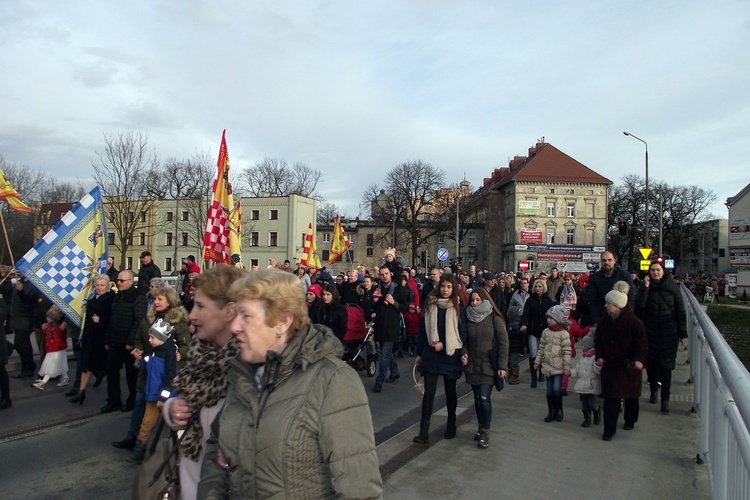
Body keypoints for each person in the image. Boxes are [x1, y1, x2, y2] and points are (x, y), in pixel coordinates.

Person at [197, 269, 382, 498]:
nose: (235, 326)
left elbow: (360, 489)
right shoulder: (243, 375)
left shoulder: (332, 381)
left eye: (246, 315)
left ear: (282, 322)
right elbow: (216, 448)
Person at [160, 265, 246, 499]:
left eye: (200, 306)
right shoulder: (199, 353)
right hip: (191, 483)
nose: (192, 315)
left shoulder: (248, 366)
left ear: (229, 311)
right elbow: (184, 401)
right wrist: (172, 409)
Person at [119, 286, 190, 461]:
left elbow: (186, 345)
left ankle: (179, 451)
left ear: (169, 301)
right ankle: (136, 441)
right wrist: (140, 353)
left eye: (160, 299)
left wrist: (181, 354)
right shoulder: (148, 318)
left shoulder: (177, 322)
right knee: (139, 408)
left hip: (168, 377)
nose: (156, 302)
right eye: (155, 299)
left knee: (170, 417)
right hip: (147, 375)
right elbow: (140, 340)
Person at [413, 274, 467, 444]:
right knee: (428, 394)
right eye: (443, 286)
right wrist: (419, 353)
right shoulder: (430, 304)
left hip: (450, 355)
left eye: (449, 287)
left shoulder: (459, 307)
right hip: (431, 353)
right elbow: (423, 330)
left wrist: (444, 344)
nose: (445, 290)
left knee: (450, 393)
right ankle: (423, 432)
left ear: (454, 289)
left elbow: (462, 334)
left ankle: (451, 425)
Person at [594, 281, 648, 441]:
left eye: (609, 303)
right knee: (611, 398)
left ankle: (630, 420)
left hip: (628, 365)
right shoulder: (604, 321)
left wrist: (639, 360)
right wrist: (599, 355)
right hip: (610, 365)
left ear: (617, 305)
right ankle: (608, 430)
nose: (605, 306)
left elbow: (641, 344)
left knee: (631, 395)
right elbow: (599, 341)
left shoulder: (635, 323)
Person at [635, 261, 687, 413]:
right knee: (651, 364)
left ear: (663, 271)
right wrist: (645, 287)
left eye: (658, 270)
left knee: (666, 366)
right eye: (652, 270)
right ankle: (653, 390)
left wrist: (683, 334)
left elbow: (680, 311)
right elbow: (639, 307)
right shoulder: (645, 287)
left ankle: (665, 399)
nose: (655, 273)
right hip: (650, 332)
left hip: (669, 332)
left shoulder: (673, 288)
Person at [461, 288, 508, 448]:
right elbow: (465, 341)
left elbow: (503, 343)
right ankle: (480, 427)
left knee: (484, 397)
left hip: (489, 365)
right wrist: (464, 353)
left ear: (485, 300)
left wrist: (502, 366)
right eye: (472, 300)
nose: (474, 303)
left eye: (478, 300)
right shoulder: (468, 318)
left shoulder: (494, 319)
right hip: (473, 365)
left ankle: (486, 430)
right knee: (477, 399)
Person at [127, 317, 179, 464]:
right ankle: (140, 448)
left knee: (174, 424)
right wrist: (141, 358)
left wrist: (163, 398)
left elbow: (170, 378)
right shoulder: (155, 350)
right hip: (153, 395)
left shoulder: (168, 354)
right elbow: (149, 362)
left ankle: (180, 450)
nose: (149, 340)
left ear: (161, 338)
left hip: (164, 397)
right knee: (147, 422)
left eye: (152, 337)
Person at [102, 270, 148, 414]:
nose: (119, 283)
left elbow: (138, 320)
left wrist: (131, 341)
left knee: (131, 374)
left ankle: (133, 400)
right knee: (111, 371)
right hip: (115, 341)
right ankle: (113, 400)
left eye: (122, 281)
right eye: (118, 280)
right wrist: (108, 338)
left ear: (130, 281)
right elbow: (112, 318)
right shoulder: (117, 297)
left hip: (128, 343)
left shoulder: (139, 297)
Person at [69, 275, 114, 404]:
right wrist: (83, 337)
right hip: (90, 336)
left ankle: (100, 375)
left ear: (107, 286)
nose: (99, 288)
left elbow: (113, 318)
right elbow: (87, 319)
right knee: (86, 364)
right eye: (97, 285)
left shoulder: (111, 299)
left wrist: (101, 320)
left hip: (102, 337)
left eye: (102, 285)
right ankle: (81, 392)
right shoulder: (92, 298)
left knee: (101, 364)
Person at [371, 266, 409, 392]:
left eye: (386, 274)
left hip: (392, 326)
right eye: (382, 274)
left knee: (385, 354)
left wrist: (394, 303)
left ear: (391, 274)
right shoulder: (377, 289)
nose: (384, 276)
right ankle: (394, 371)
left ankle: (379, 380)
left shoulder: (398, 289)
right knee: (384, 352)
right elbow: (373, 308)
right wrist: (374, 302)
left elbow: (405, 307)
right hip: (380, 325)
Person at [533, 305, 572, 422]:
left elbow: (567, 351)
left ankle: (559, 410)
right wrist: (537, 361)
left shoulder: (564, 334)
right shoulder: (546, 332)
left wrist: (567, 367)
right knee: (549, 390)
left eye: (551, 318)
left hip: (558, 367)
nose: (548, 320)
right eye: (547, 318)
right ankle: (552, 411)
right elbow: (541, 348)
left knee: (556, 389)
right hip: (548, 366)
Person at [520, 279, 554, 388]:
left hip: (545, 330)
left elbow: (551, 315)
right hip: (533, 330)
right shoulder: (530, 300)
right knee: (533, 353)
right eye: (536, 286)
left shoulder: (548, 301)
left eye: (540, 286)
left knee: (543, 353)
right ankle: (533, 377)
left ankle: (541, 373)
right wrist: (524, 324)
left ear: (543, 287)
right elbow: (526, 314)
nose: (538, 289)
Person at [588, 251, 635, 324]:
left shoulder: (624, 275)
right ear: (601, 261)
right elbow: (592, 300)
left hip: (622, 319)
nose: (607, 262)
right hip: (602, 319)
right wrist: (597, 320)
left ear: (614, 261)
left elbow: (631, 298)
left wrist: (627, 317)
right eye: (604, 260)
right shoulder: (595, 277)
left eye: (609, 260)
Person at [32, 305, 69, 390]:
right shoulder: (49, 326)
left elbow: (61, 335)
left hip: (57, 349)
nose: (47, 318)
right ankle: (65, 378)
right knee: (60, 364)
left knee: (50, 366)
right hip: (52, 349)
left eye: (49, 317)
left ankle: (43, 382)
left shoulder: (59, 328)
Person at [570, 329, 602, 428]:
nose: (581, 346)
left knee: (592, 402)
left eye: (583, 345)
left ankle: (597, 410)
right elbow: (577, 368)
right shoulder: (582, 357)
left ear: (588, 347)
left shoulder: (595, 357)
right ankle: (587, 419)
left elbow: (598, 371)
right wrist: (571, 372)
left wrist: (598, 365)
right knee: (584, 404)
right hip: (582, 385)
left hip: (591, 384)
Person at [9, 276, 36, 378]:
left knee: (20, 344)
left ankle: (30, 366)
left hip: (25, 318)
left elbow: (28, 301)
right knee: (24, 344)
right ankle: (25, 368)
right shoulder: (18, 282)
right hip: (16, 318)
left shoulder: (32, 285)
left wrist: (21, 290)